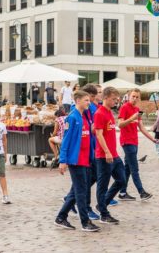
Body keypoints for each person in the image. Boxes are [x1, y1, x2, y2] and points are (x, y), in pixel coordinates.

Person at [54, 90, 100, 232]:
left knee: (76, 191)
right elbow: (66, 140)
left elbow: (88, 136)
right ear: (78, 100)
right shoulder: (72, 117)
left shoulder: (85, 115)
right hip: (76, 161)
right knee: (81, 191)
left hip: (86, 159)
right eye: (86, 100)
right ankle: (85, 222)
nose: (89, 102)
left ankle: (61, 217)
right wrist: (63, 160)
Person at [117, 88, 157, 201]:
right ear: (129, 97)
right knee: (134, 168)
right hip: (127, 142)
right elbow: (120, 124)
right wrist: (131, 118)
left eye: (137, 97)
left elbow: (141, 127)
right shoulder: (124, 107)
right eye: (133, 96)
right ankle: (141, 192)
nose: (135, 99)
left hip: (134, 142)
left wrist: (152, 139)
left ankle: (122, 192)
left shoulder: (137, 109)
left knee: (128, 168)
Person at [93, 87, 125, 225]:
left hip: (114, 154)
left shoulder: (109, 112)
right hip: (104, 155)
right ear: (105, 98)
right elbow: (99, 134)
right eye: (113, 99)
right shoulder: (100, 113)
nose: (115, 102)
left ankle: (102, 204)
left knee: (122, 180)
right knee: (103, 185)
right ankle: (104, 214)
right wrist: (106, 152)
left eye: (116, 99)